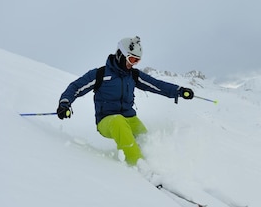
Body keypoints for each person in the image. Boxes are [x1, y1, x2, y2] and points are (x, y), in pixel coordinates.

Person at [57, 36, 194, 166]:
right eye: (131, 59)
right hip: (107, 121)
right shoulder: (100, 74)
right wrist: (64, 103)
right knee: (118, 121)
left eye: (137, 61)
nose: (132, 64)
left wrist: (179, 90)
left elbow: (156, 85)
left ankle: (155, 163)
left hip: (129, 118)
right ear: (120, 55)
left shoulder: (133, 75)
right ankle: (139, 165)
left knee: (144, 137)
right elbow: (76, 87)